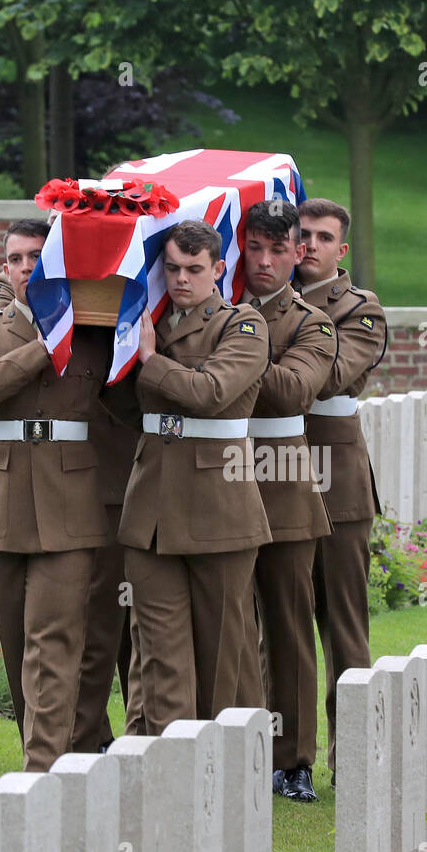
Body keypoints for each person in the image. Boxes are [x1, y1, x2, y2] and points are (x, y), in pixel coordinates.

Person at [0, 244, 138, 752]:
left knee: (53, 638)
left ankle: (47, 766)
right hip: (5, 500)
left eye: (38, 255)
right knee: (15, 643)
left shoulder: (92, 338)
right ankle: (39, 747)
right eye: (15, 257)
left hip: (70, 500)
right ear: (4, 266)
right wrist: (44, 346)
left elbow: (133, 403)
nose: (26, 265)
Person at [103, 219, 271, 735]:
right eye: (172, 268)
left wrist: (150, 361)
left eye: (194, 269)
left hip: (218, 508)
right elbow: (126, 405)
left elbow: (212, 393)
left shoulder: (243, 326)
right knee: (158, 653)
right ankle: (167, 766)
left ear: (219, 270)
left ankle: (222, 770)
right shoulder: (147, 319)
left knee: (221, 654)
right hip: (152, 507)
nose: (181, 279)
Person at [238, 198, 336, 803]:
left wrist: (237, 348)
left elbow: (295, 391)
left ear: (297, 253)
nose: (266, 262)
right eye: (256, 248)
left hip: (279, 477)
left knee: (287, 623)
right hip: (214, 475)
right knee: (229, 622)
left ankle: (293, 756)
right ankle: (238, 740)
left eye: (279, 250)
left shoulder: (309, 323)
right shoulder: (210, 308)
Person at [295, 197, 385, 787]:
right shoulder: (253, 299)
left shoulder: (361, 310)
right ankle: (290, 757)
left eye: (322, 238)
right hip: (269, 470)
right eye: (301, 235)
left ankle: (351, 757)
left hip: (335, 479)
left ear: (341, 250)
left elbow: (331, 374)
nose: (309, 246)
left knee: (343, 625)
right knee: (278, 624)